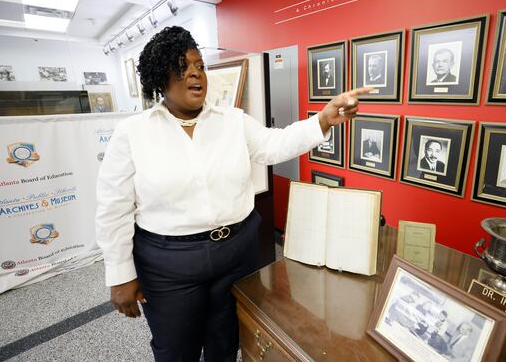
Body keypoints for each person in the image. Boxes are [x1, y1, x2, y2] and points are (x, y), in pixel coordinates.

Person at [95, 26, 370, 362]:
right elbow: (113, 208)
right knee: (175, 349)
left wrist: (323, 120)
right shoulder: (132, 133)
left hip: (235, 253)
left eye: (200, 66)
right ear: (160, 77)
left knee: (226, 342)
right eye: (183, 67)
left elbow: (274, 144)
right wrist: (121, 275)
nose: (195, 73)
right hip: (169, 265)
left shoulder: (233, 120)